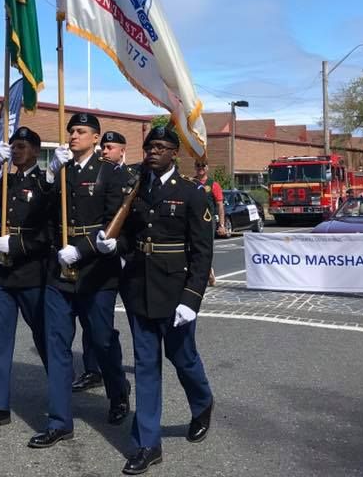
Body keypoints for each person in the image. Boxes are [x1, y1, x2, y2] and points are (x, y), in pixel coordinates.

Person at [114, 125, 214, 475]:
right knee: (145, 366)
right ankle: (147, 443)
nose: (152, 152)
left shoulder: (192, 194)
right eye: (149, 146)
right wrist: (117, 246)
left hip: (175, 293)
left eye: (160, 147)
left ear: (175, 153)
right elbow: (130, 235)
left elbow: (202, 254)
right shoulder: (137, 188)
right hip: (139, 287)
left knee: (183, 358)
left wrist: (191, 299)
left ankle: (202, 403)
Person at [27, 112, 131, 449]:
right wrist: (47, 176)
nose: (73, 135)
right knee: (56, 346)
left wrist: (83, 249)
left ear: (95, 138)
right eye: (71, 130)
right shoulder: (63, 171)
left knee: (101, 340)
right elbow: (38, 214)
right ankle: (59, 420)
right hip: (59, 272)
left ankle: (118, 392)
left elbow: (116, 223)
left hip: (96, 272)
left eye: (81, 131)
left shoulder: (111, 173)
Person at [0, 127, 52, 433]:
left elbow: (49, 232)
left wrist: (19, 245)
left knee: (45, 339)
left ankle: (58, 397)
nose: (15, 152)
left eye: (21, 147)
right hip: (3, 273)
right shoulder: (6, 179)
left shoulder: (45, 182)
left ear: (35, 150)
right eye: (13, 147)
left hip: (32, 272)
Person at [74, 129, 129, 394]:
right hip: (93, 258)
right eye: (104, 147)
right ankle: (92, 369)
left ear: (122, 150)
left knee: (108, 328)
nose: (106, 151)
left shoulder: (128, 177)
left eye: (111, 147)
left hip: (120, 260)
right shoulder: (92, 173)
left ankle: (120, 380)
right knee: (90, 322)